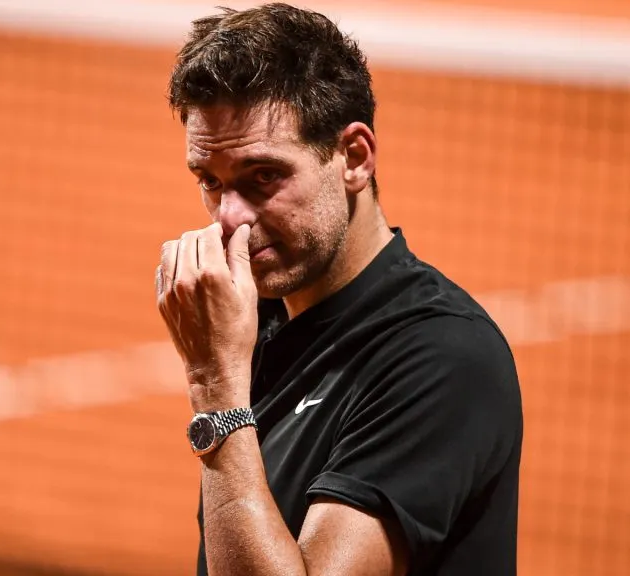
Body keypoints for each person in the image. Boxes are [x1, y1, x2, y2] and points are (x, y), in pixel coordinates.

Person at [154, 3, 523, 575]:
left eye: (264, 177)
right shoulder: (258, 317)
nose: (230, 218)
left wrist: (214, 387)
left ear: (353, 157)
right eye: (211, 182)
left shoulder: (442, 361)